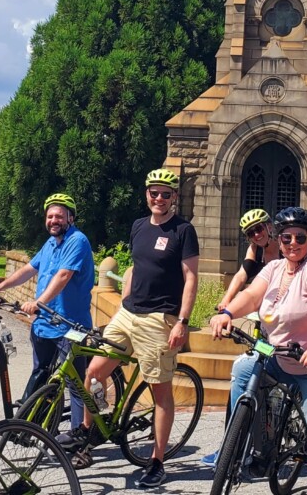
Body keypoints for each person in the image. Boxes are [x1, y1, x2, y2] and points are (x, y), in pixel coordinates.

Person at [209, 206, 307, 495]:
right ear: (278, 239)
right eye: (286, 237)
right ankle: (252, 444)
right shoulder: (275, 268)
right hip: (282, 356)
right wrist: (227, 312)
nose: (292, 244)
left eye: (300, 238)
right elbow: (252, 296)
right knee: (243, 369)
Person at [83, 168, 199, 487]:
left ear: (174, 197)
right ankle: (90, 431)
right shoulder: (138, 226)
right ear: (146, 194)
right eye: (153, 192)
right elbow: (134, 266)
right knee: (93, 373)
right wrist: (123, 303)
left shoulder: (183, 230)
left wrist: (183, 322)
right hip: (129, 314)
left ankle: (157, 460)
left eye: (165, 193)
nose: (158, 198)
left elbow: (190, 278)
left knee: (159, 392)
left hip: (159, 318)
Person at [0, 193, 94, 446]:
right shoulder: (50, 243)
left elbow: (63, 276)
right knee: (41, 375)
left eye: (59, 216)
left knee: (74, 386)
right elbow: (28, 270)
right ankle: (34, 428)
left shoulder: (78, 241)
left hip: (71, 326)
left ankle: (79, 444)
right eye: (50, 216)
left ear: (70, 218)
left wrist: (38, 302)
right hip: (44, 325)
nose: (54, 220)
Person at [201, 207, 282, 466]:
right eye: (250, 233)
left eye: (259, 228)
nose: (256, 235)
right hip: (264, 317)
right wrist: (226, 304)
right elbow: (242, 275)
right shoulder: (256, 250)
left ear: (270, 226)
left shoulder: (285, 246)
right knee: (251, 375)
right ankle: (232, 447)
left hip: (285, 319)